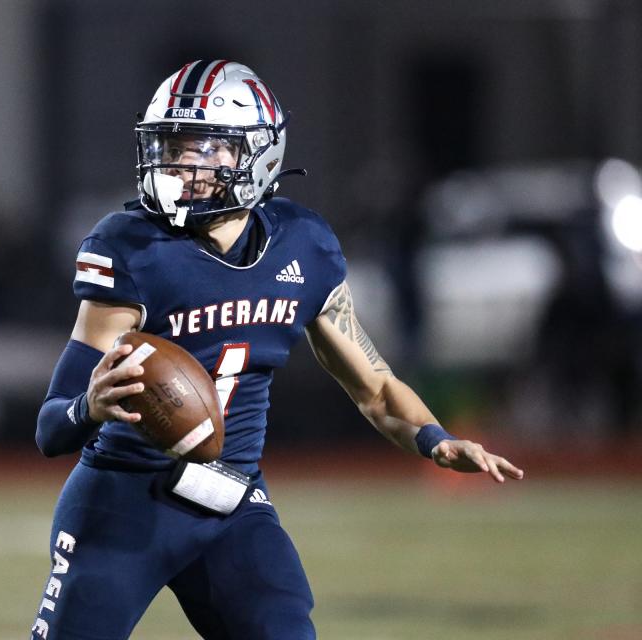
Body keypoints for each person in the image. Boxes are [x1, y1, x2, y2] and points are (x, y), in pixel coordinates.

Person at [31, 60, 523, 640]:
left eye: (201, 150)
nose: (178, 166)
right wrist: (86, 407)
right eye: (170, 147)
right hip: (122, 503)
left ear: (256, 156)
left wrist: (437, 441)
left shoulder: (304, 247)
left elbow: (376, 388)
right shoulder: (133, 247)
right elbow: (49, 427)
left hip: (232, 503)